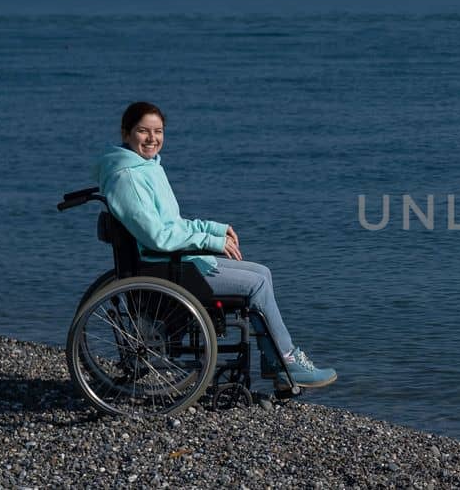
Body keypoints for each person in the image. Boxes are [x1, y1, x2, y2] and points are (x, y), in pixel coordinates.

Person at [92, 101, 336, 389]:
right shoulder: (128, 177)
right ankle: (288, 362)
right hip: (165, 267)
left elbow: (174, 224)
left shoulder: (146, 168)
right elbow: (158, 236)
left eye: (158, 131)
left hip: (173, 260)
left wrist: (215, 229)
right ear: (126, 133)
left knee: (262, 273)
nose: (152, 138)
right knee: (256, 286)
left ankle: (279, 363)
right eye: (143, 131)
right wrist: (211, 242)